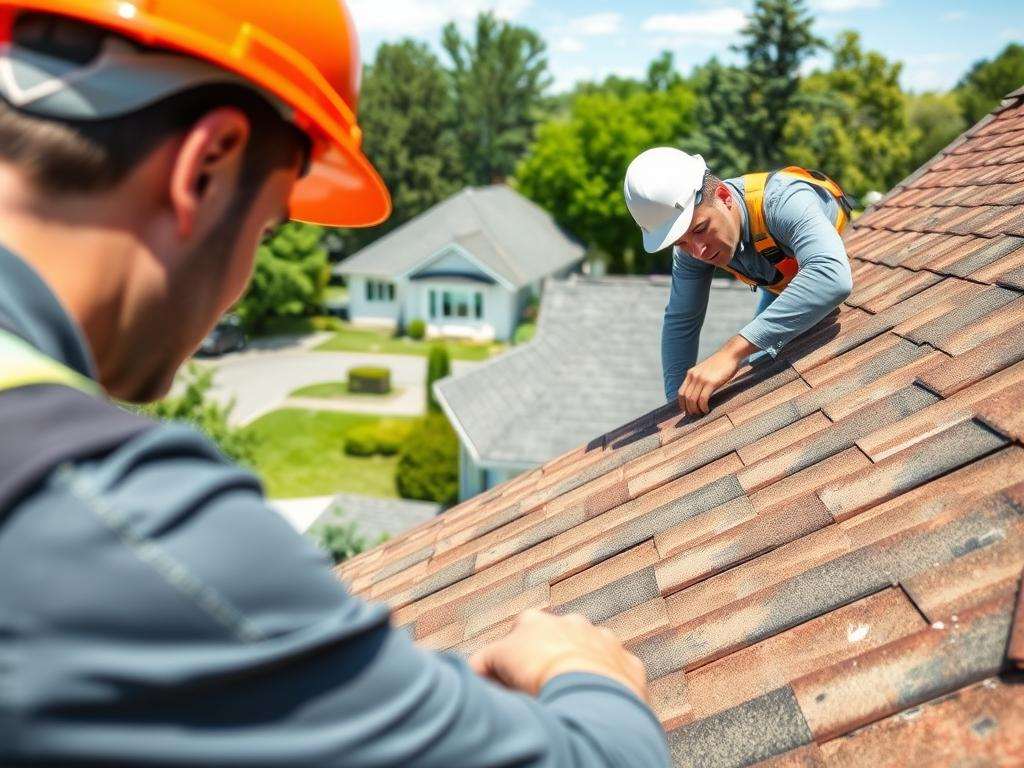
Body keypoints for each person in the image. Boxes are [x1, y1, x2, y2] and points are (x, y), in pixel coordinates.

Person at [0, 3, 669, 766]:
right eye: (268, 228)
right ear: (207, 165)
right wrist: (584, 672)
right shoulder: (126, 531)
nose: (246, 279)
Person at [623, 147, 854, 415]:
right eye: (681, 243)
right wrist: (678, 406)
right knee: (758, 362)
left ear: (724, 196)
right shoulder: (692, 247)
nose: (698, 251)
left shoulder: (783, 201)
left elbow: (832, 277)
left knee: (754, 357)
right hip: (782, 287)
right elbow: (682, 320)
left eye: (701, 229)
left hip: (831, 262)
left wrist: (730, 353)